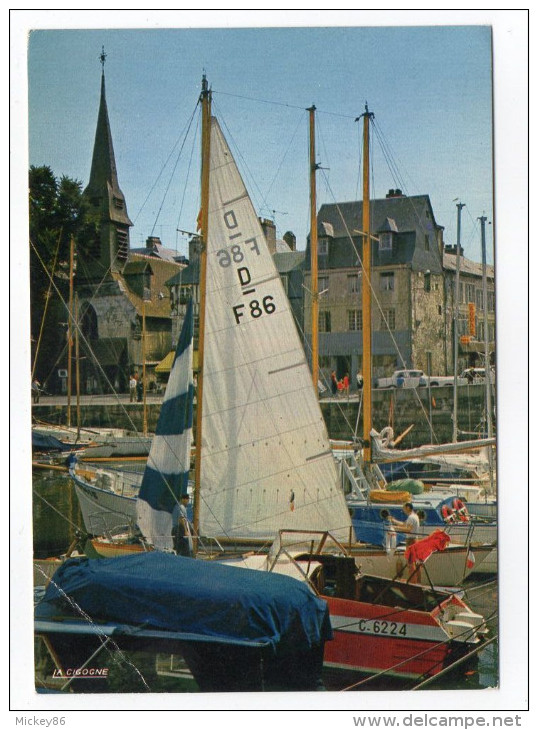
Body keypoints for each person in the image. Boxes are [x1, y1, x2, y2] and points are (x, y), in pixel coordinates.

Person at [389, 503, 421, 583]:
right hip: (415, 540)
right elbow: (404, 524)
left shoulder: (411, 517)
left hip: (410, 540)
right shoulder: (415, 516)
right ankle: (417, 580)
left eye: (404, 508)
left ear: (408, 508)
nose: (403, 510)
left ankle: (412, 582)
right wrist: (394, 521)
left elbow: (408, 529)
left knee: (410, 562)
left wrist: (395, 528)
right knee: (415, 562)